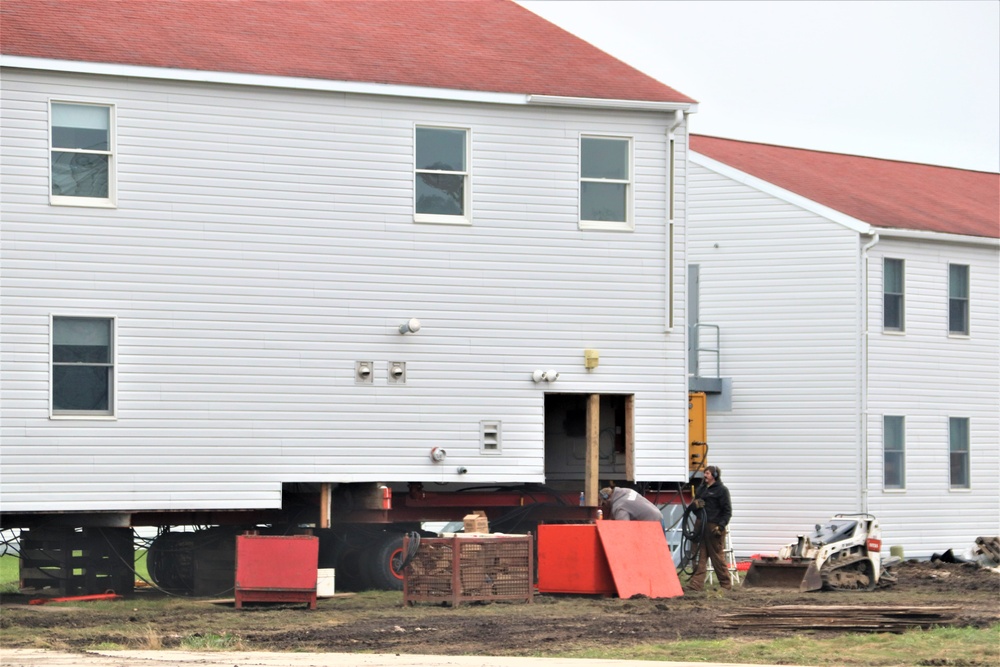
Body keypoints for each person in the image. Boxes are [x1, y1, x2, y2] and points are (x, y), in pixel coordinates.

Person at [686, 465, 733, 592]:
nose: (705, 475)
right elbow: (693, 508)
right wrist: (695, 505)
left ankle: (725, 584)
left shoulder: (722, 490)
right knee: (698, 555)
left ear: (715, 476)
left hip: (714, 527)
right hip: (700, 525)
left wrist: (721, 526)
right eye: (704, 473)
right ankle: (696, 584)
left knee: (717, 556)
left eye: (707, 473)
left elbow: (727, 511)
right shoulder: (701, 489)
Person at [599, 486, 667, 532]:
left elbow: (624, 529)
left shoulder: (619, 506)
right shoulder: (627, 491)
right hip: (659, 516)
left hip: (652, 526)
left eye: (603, 504)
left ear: (606, 500)